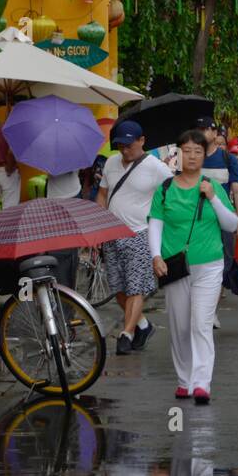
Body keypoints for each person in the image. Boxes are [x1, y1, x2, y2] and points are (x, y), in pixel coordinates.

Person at [149, 130, 238, 405]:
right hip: (176, 266)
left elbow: (232, 224)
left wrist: (213, 197)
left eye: (197, 151)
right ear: (178, 154)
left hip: (209, 264)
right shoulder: (165, 189)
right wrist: (155, 256)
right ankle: (184, 380)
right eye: (186, 150)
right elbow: (156, 224)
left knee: (201, 324)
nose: (191, 156)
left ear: (204, 155)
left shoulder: (211, 185)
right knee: (179, 325)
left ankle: (201, 382)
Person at [95, 120, 172, 356]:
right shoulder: (110, 163)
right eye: (119, 145)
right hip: (112, 234)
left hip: (140, 233)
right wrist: (99, 225)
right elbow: (102, 194)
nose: (124, 150)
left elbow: (172, 192)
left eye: (129, 145)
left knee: (135, 287)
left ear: (141, 141)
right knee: (119, 289)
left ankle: (126, 334)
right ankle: (143, 326)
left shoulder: (156, 167)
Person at [196, 116, 238, 318]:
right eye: (198, 129)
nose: (202, 133)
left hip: (222, 220)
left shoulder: (228, 159)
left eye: (206, 129)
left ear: (216, 134)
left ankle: (210, 310)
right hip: (196, 222)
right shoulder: (189, 158)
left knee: (222, 265)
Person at [0, 128, 21, 208]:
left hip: (0, 170)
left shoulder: (2, 127)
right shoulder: (13, 129)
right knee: (10, 208)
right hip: (8, 173)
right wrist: (9, 170)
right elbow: (11, 152)